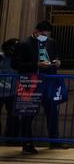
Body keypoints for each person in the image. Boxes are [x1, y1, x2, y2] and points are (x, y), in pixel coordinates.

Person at [12, 21, 67, 152]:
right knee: (28, 113)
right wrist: (36, 65)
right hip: (31, 82)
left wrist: (57, 62)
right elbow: (15, 64)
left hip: (48, 81)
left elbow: (55, 57)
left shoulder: (51, 42)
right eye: (42, 34)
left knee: (53, 111)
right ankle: (27, 143)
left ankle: (54, 140)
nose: (45, 37)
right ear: (36, 31)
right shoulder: (24, 44)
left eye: (47, 35)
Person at [0, 38, 20, 140]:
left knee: (13, 116)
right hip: (1, 90)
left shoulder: (18, 58)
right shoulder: (1, 57)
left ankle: (11, 137)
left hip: (12, 91)